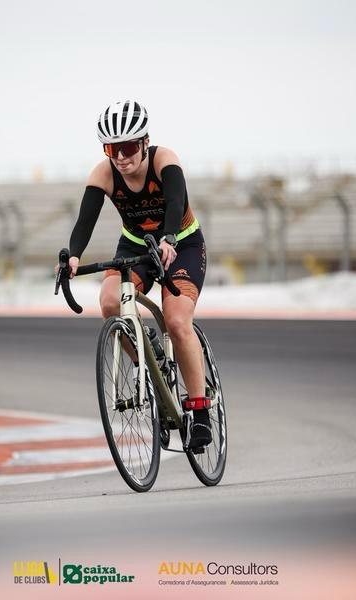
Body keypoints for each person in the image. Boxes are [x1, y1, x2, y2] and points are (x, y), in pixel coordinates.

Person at [65, 100, 211, 448]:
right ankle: (148, 362)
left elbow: (175, 202)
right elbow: (85, 220)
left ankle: (200, 410)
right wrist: (73, 255)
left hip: (182, 243)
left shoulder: (164, 159)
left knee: (176, 321)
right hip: (135, 247)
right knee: (109, 302)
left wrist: (170, 237)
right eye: (111, 149)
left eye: (128, 147)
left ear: (145, 142)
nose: (120, 157)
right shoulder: (103, 173)